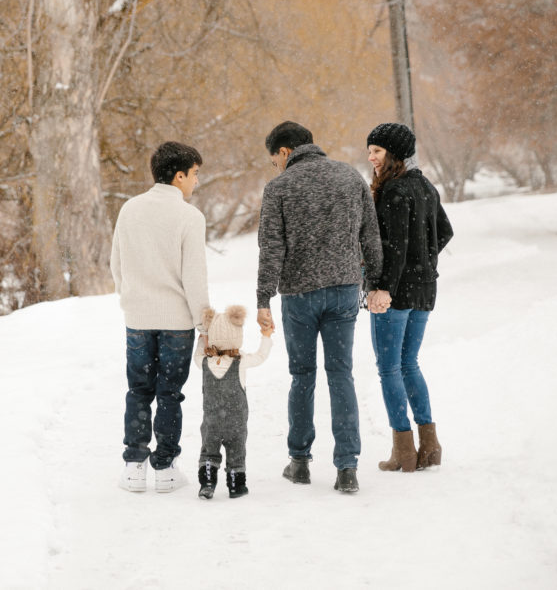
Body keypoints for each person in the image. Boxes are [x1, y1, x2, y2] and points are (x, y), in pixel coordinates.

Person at [255, 121, 383, 494]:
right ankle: (347, 468)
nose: (275, 167)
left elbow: (271, 248)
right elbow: (370, 235)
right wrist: (374, 282)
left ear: (283, 152)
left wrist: (263, 298)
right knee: (341, 374)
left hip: (299, 295)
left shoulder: (278, 188)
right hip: (344, 290)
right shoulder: (349, 176)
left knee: (303, 376)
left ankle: (299, 462)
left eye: (273, 159)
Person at [110, 141, 210, 494]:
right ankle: (165, 468)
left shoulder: (130, 209)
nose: (196, 181)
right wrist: (205, 324)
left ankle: (134, 465)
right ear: (179, 175)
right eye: (195, 174)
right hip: (176, 322)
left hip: (137, 316)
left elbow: (116, 263)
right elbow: (194, 276)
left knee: (138, 390)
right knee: (169, 393)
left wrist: (130, 297)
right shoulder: (189, 216)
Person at [364, 123, 454, 473]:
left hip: (396, 292)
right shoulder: (426, 186)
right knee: (409, 364)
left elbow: (395, 247)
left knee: (389, 368)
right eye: (370, 150)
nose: (371, 157)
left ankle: (403, 450)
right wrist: (424, 260)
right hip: (424, 289)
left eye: (378, 151)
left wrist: (383, 286)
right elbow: (445, 231)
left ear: (394, 154)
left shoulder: (396, 190)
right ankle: (429, 445)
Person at [193, 305, 273, 500]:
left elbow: (198, 354)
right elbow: (261, 356)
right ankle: (236, 485)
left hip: (211, 422)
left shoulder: (204, 362)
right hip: (236, 423)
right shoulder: (241, 361)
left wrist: (203, 339)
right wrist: (266, 336)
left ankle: (208, 482)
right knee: (237, 453)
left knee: (209, 452)